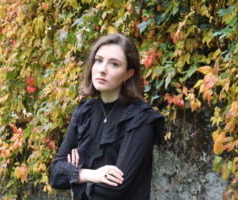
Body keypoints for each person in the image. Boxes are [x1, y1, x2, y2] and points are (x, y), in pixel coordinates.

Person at [50, 33, 165, 200]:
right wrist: (91, 174)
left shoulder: (140, 119)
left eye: (114, 64)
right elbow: (55, 174)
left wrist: (73, 175)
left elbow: (115, 190)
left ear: (128, 73)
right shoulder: (83, 112)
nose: (102, 69)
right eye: (98, 60)